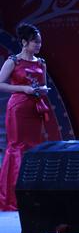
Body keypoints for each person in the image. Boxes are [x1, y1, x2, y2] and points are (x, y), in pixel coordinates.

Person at [0, 23, 52, 211]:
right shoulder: (13, 61)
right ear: (24, 42)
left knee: (33, 148)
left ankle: (32, 195)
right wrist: (24, 88)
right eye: (35, 42)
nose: (38, 45)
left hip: (35, 108)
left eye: (40, 42)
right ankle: (12, 198)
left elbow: (43, 85)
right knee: (17, 147)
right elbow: (0, 84)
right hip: (18, 108)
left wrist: (42, 90)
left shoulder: (41, 63)